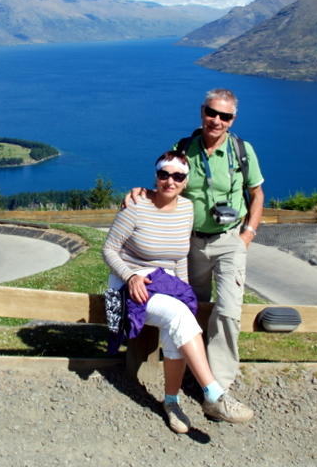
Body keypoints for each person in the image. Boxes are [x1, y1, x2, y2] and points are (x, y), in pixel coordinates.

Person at [127, 88, 264, 419]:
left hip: (230, 239)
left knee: (229, 312)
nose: (216, 120)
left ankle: (218, 388)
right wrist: (141, 192)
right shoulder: (184, 149)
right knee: (193, 307)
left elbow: (257, 194)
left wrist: (248, 234)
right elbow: (168, 182)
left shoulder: (242, 151)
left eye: (225, 116)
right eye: (211, 113)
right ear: (202, 112)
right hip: (191, 242)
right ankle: (191, 373)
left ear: (233, 120)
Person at [103, 150, 254, 434]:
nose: (169, 181)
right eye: (164, 174)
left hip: (167, 283)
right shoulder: (135, 207)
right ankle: (213, 394)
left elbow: (179, 257)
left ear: (185, 182)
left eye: (177, 176)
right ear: (156, 176)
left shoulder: (186, 210)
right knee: (177, 315)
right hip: (130, 285)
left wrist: (185, 292)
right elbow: (109, 249)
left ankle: (171, 402)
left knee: (181, 322)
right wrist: (130, 275)